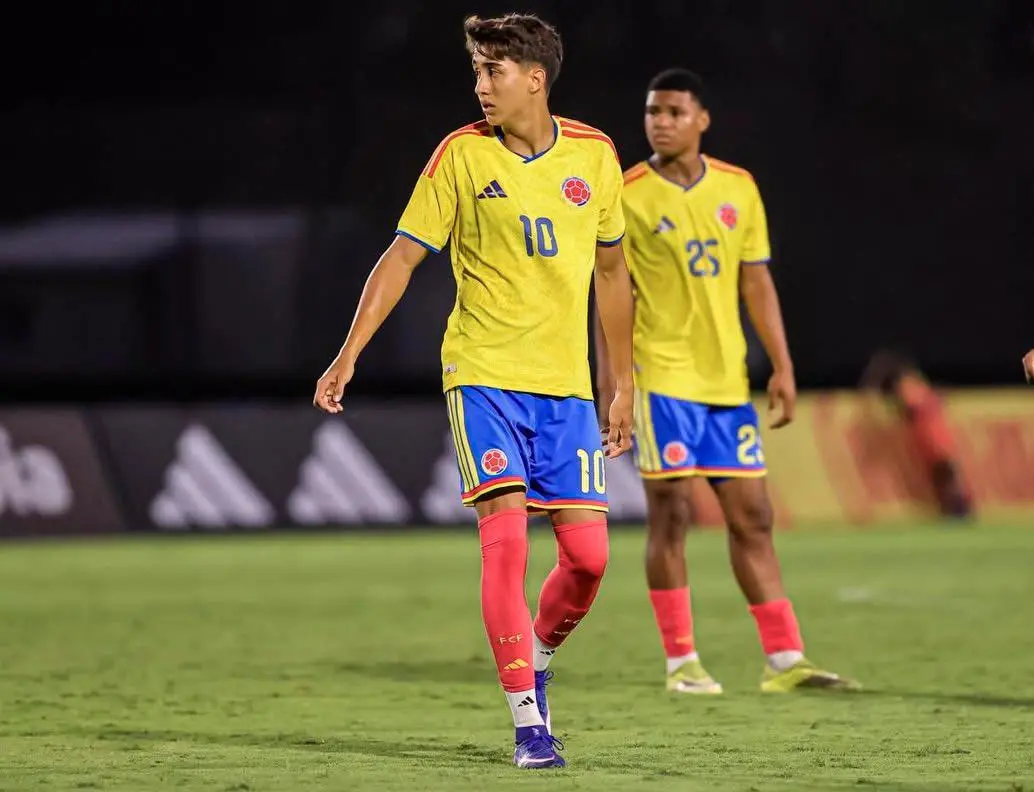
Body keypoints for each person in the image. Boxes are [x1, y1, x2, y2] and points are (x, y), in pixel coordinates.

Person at [313, 13, 636, 769]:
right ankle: (528, 725)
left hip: (566, 392)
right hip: (482, 378)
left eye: (494, 70)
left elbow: (614, 273)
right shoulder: (460, 155)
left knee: (589, 560)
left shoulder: (595, 155)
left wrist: (621, 384)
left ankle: (538, 660)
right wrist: (348, 353)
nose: (480, 85)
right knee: (507, 542)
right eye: (477, 70)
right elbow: (401, 257)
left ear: (536, 79)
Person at [595, 68, 858, 694]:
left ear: (702, 119)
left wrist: (783, 365)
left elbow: (756, 281)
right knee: (672, 515)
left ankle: (785, 660)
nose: (661, 122)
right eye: (653, 112)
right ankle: (681, 662)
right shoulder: (626, 193)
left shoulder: (738, 187)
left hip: (726, 383)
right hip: (661, 378)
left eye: (674, 112)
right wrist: (615, 387)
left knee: (754, 517)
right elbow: (606, 294)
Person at [860, 350, 974, 519]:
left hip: (934, 442)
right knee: (944, 476)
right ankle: (956, 507)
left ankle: (959, 507)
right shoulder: (923, 390)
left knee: (946, 476)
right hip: (934, 441)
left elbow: (909, 407)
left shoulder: (912, 390)